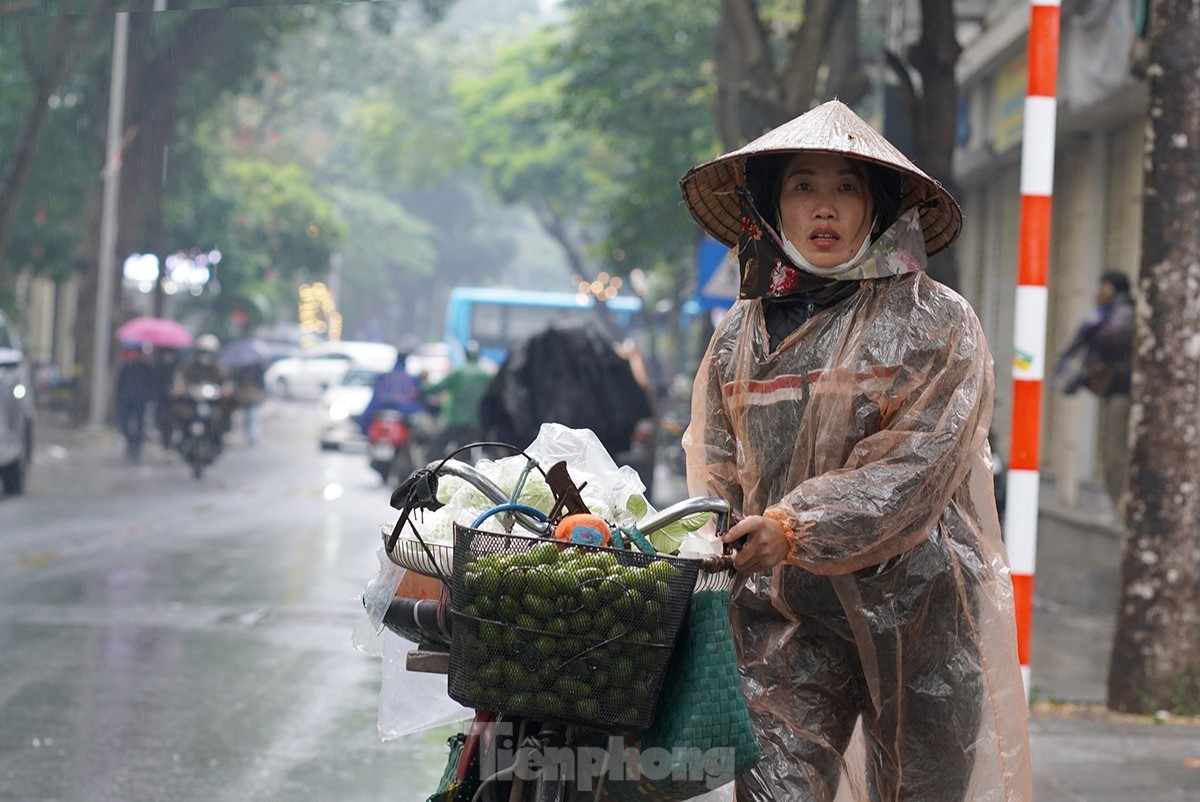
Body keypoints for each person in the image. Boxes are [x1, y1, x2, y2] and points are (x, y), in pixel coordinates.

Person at [678, 100, 1031, 801]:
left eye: (846, 187)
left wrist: (794, 526)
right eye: (803, 185)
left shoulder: (938, 322)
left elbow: (913, 471)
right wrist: (716, 539)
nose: (825, 207)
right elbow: (719, 466)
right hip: (785, 618)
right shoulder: (738, 336)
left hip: (921, 613)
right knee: (774, 789)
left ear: (878, 206)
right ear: (773, 205)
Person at [1053, 270, 1135, 516]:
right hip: (1113, 392)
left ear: (1110, 290)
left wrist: (1093, 323)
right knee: (1109, 453)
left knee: (1114, 454)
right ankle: (1118, 505)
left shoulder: (1122, 314)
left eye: (1102, 288)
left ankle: (1122, 510)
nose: (1096, 294)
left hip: (1122, 392)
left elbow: (1108, 340)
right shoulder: (1107, 314)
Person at [421, 340, 492, 457]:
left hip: (456, 421)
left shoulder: (459, 371)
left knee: (436, 448)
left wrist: (422, 390)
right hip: (475, 422)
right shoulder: (485, 374)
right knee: (465, 452)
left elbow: (439, 386)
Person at [169, 334, 235, 443]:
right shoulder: (189, 365)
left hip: (213, 399)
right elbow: (180, 377)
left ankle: (225, 431)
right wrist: (179, 388)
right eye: (203, 351)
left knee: (227, 406)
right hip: (192, 397)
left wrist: (227, 389)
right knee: (177, 409)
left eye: (209, 352)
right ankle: (175, 437)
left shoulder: (219, 367)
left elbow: (227, 379)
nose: (206, 355)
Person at [358, 348, 425, 436]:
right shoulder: (411, 379)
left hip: (379, 407)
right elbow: (416, 395)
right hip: (404, 409)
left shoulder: (384, 376)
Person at [114, 343, 156, 462]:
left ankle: (136, 446)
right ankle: (129, 442)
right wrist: (118, 398)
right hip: (126, 399)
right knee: (124, 422)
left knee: (140, 424)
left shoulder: (146, 368)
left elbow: (151, 384)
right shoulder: (126, 367)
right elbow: (120, 384)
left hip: (140, 399)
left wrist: (148, 397)